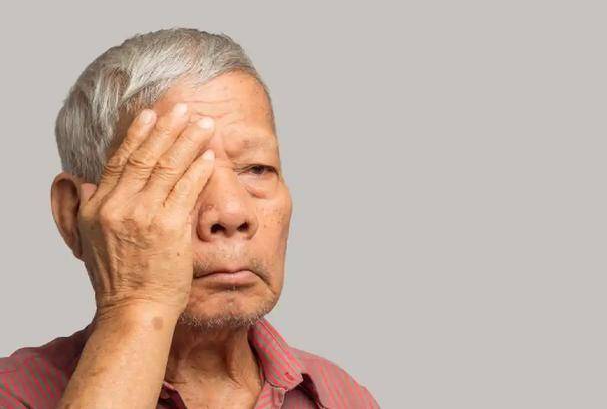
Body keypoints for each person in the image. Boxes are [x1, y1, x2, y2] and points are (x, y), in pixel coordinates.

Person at [0, 28, 379, 409]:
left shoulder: (341, 396)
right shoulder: (13, 394)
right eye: (176, 174)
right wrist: (139, 304)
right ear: (73, 214)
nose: (232, 213)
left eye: (258, 169)